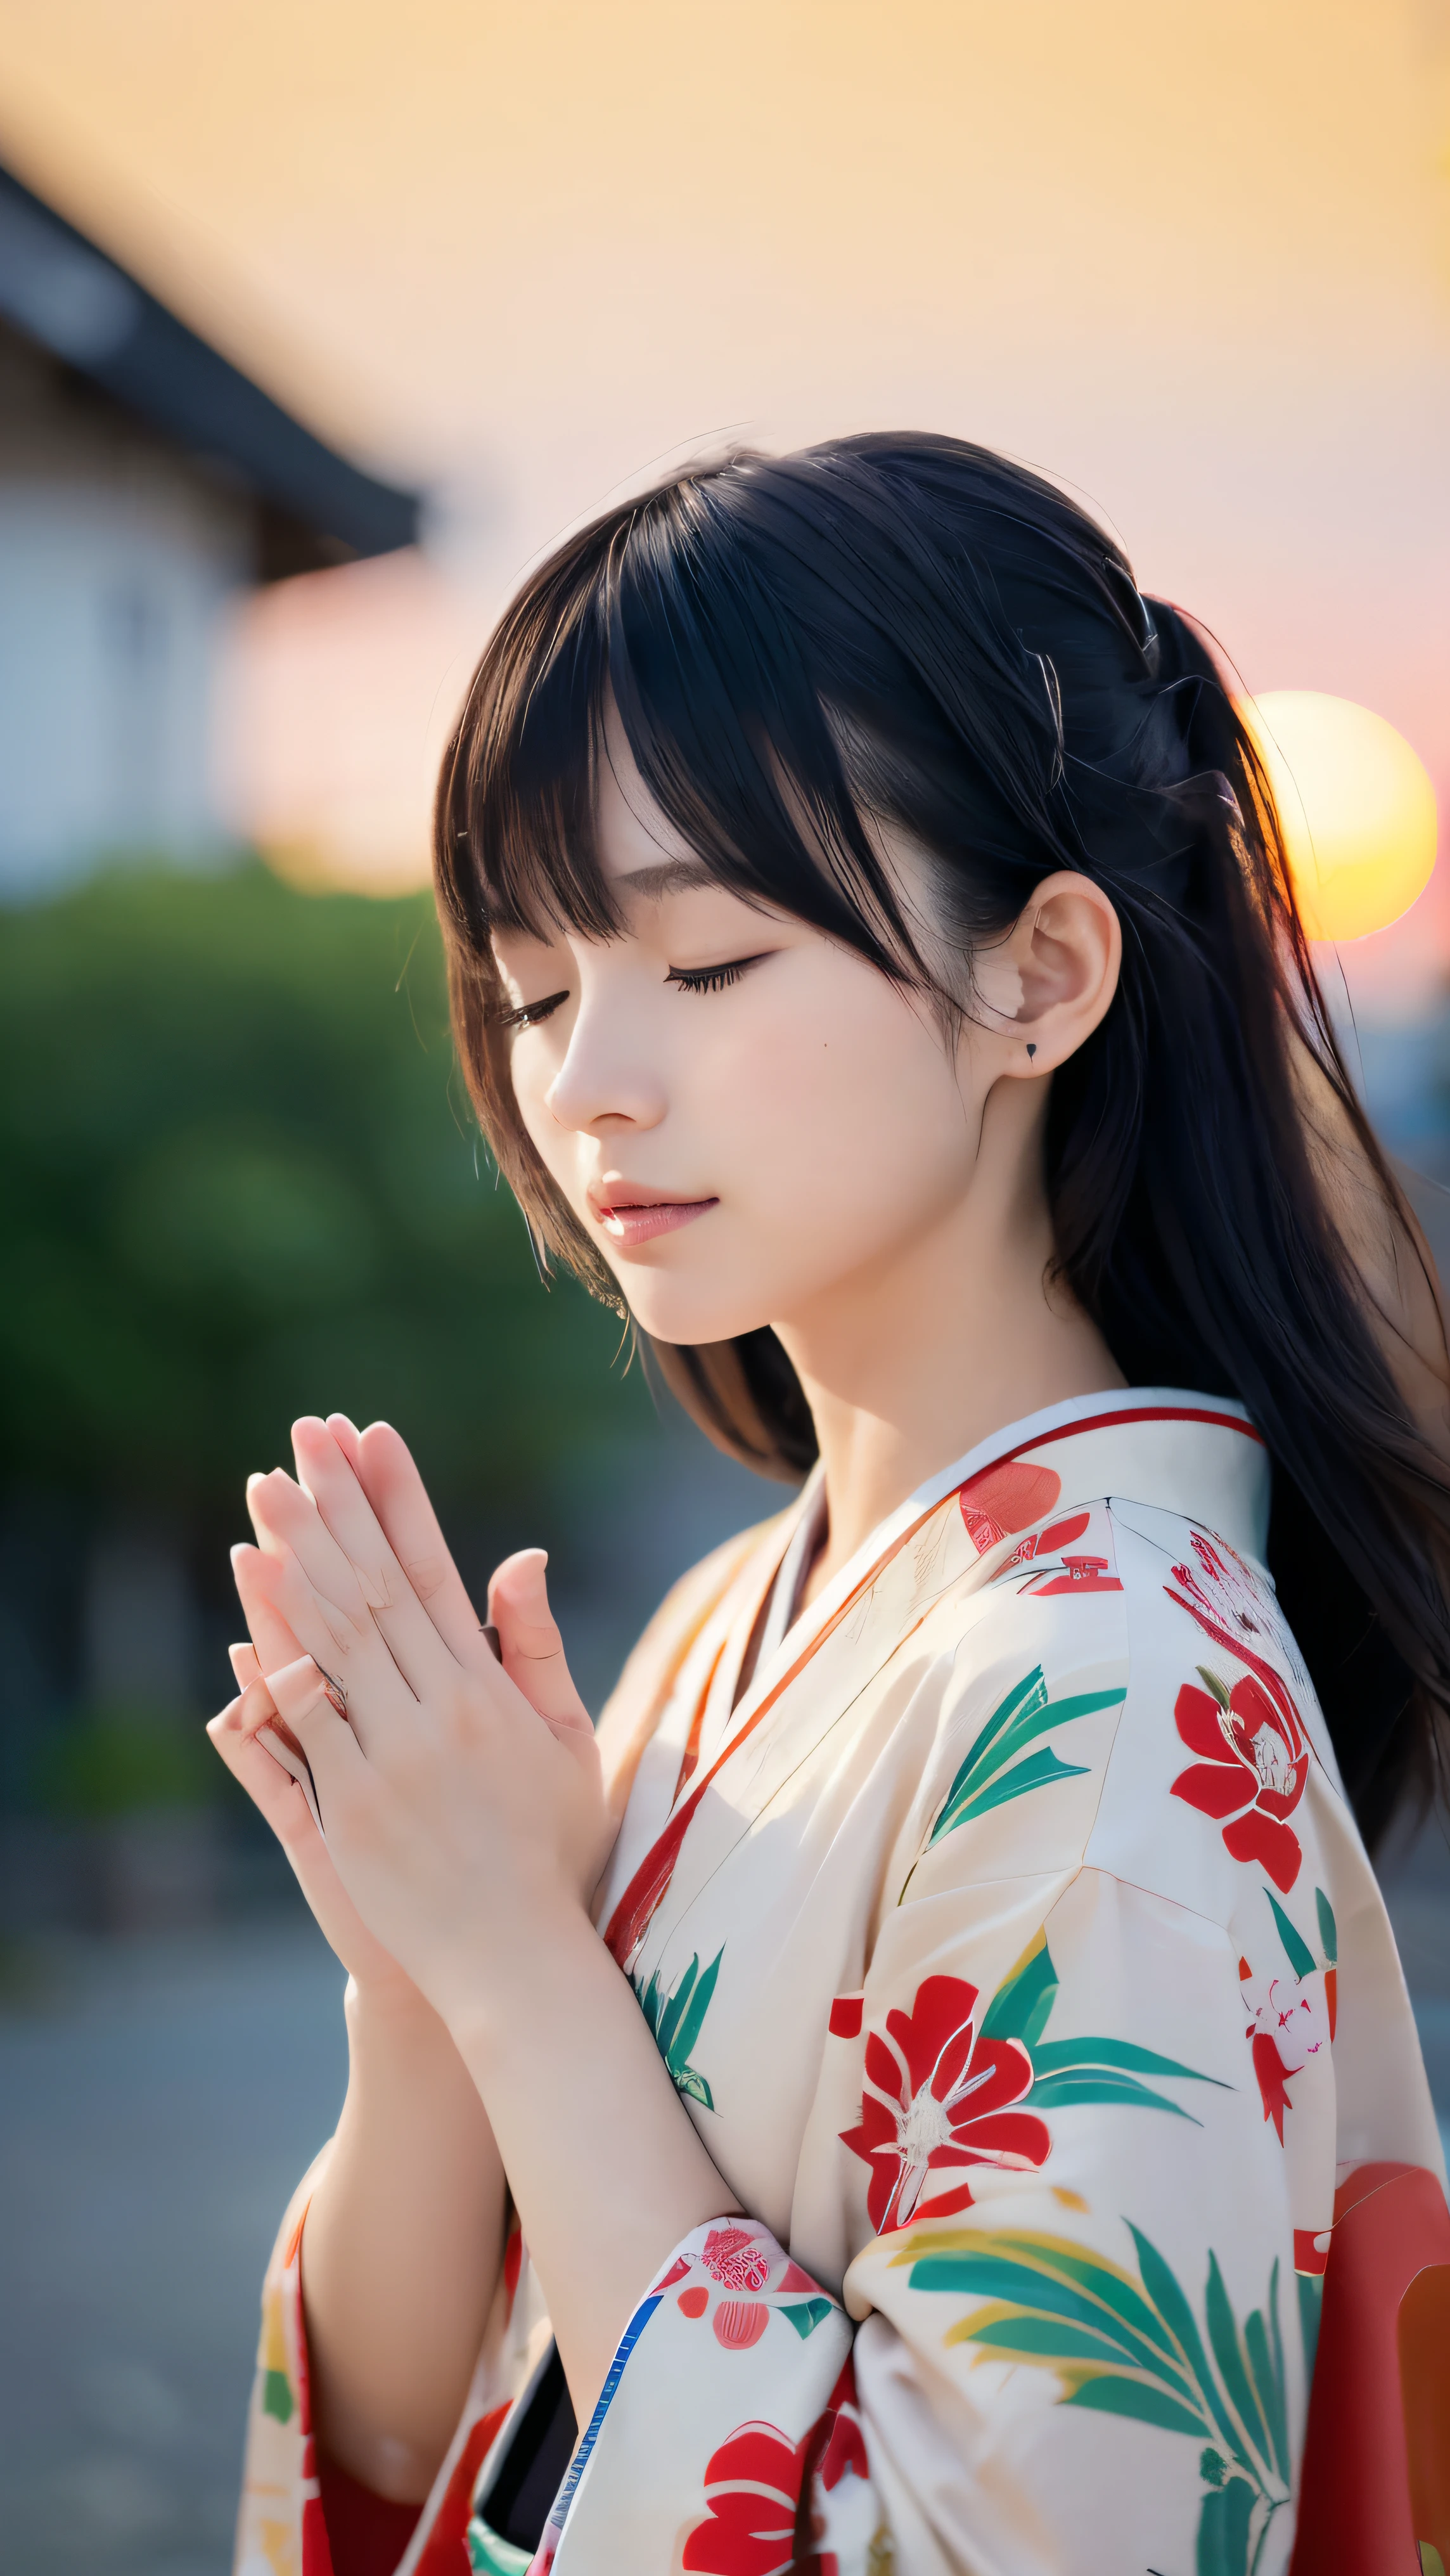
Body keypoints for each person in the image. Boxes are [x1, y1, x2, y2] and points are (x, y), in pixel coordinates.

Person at [214, 435, 1449, 2576]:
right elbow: (433, 2446)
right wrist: (425, 1973)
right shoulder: (723, 1621)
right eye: (532, 983)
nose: (587, 1073)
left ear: (1040, 978)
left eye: (703, 966)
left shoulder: (1131, 1708)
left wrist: (524, 1966)